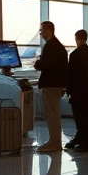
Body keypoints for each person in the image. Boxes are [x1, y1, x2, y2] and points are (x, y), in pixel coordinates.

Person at [34, 21, 68, 153]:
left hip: (51, 84)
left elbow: (47, 65)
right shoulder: (58, 46)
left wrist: (37, 64)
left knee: (51, 114)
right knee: (54, 113)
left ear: (48, 30)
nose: (40, 33)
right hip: (58, 84)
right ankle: (55, 141)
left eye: (41, 30)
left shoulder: (50, 46)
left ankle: (54, 142)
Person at [65, 30, 88, 152]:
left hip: (78, 91)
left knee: (80, 116)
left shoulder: (74, 54)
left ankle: (87, 142)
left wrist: (68, 89)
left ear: (77, 39)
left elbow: (71, 74)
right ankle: (84, 139)